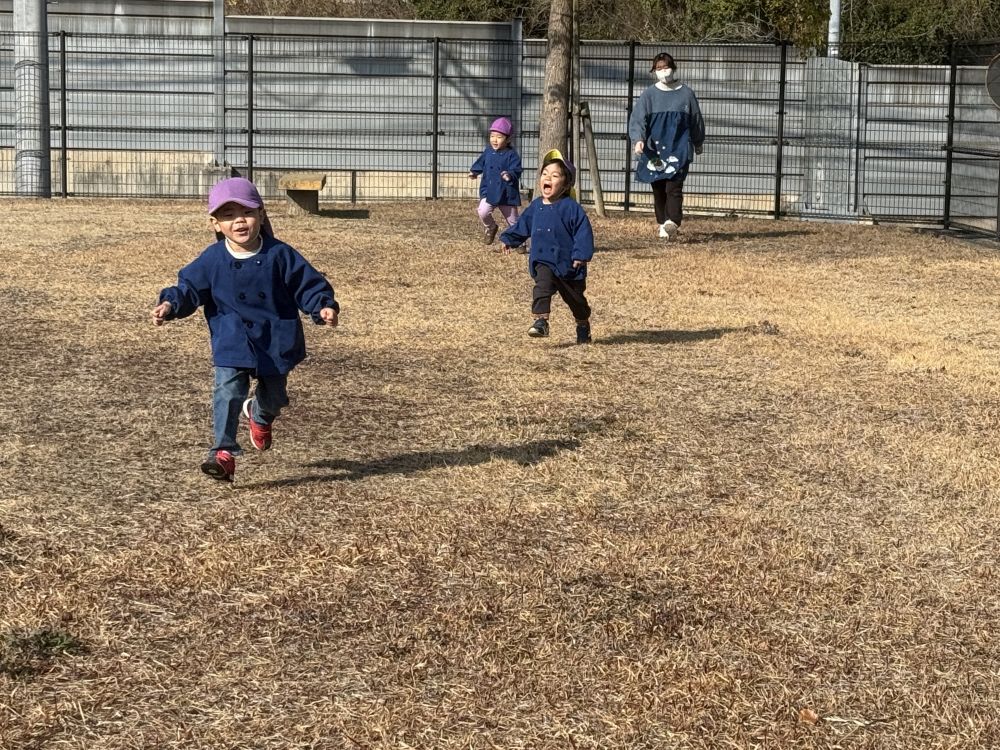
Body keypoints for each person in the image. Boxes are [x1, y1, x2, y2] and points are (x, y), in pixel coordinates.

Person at [151, 177, 339, 482]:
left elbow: (308, 285)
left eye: (247, 212)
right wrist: (170, 305)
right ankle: (222, 453)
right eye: (228, 215)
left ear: (262, 215)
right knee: (227, 392)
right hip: (233, 339)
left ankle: (260, 414)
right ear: (215, 224)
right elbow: (189, 288)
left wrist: (322, 306)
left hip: (275, 339)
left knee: (276, 396)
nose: (239, 220)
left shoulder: (281, 254)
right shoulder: (213, 259)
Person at [500, 149, 594, 345]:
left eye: (554, 175)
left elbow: (583, 232)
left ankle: (582, 323)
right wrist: (509, 238)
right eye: (544, 174)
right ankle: (541, 321)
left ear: (566, 184)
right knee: (541, 288)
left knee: (576, 301)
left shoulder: (571, 208)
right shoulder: (536, 206)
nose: (547, 178)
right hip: (544, 260)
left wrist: (580, 254)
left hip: (569, 265)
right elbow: (522, 225)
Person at [628, 52, 705, 241]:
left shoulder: (686, 94)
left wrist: (698, 141)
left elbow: (696, 121)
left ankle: (673, 221)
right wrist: (638, 139)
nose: (663, 71)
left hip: (679, 149)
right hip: (655, 150)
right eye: (659, 68)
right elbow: (638, 119)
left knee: (674, 187)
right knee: (659, 188)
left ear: (674, 67)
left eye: (666, 67)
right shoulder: (649, 95)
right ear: (654, 71)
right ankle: (663, 223)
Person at [468, 116, 523, 246]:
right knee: (483, 211)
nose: (494, 140)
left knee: (513, 221)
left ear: (508, 139)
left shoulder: (512, 154)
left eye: (499, 137)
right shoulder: (488, 151)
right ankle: (491, 227)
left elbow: (517, 170)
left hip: (506, 193)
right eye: (492, 136)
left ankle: (521, 242)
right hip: (489, 190)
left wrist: (509, 175)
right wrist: (474, 172)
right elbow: (481, 162)